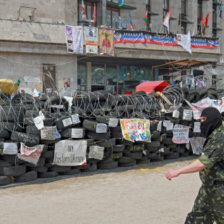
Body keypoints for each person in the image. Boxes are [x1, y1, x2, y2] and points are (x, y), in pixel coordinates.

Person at [165, 107, 224, 224]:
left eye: (204, 120)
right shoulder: (214, 135)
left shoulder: (220, 137)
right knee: (195, 219)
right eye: (200, 120)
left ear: (212, 120)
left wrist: (178, 171)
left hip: (220, 189)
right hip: (208, 188)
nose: (202, 123)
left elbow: (202, 163)